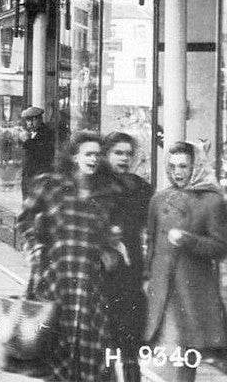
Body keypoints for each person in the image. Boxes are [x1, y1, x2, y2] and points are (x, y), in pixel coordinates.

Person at [17, 131, 118, 382]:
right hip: (55, 279)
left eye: (98, 155)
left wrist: (111, 249)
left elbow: (110, 235)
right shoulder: (50, 185)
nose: (94, 159)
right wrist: (34, 246)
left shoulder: (106, 194)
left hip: (89, 283)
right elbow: (25, 218)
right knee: (54, 352)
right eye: (89, 154)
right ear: (74, 156)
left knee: (89, 351)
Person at [144, 142, 227, 382]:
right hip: (162, 290)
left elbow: (221, 247)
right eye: (172, 167)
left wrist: (189, 240)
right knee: (166, 356)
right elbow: (151, 242)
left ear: (195, 167)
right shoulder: (159, 200)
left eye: (183, 166)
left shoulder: (212, 201)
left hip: (192, 292)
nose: (177, 172)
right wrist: (146, 278)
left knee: (182, 357)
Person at [102, 132, 152, 382]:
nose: (124, 158)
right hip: (102, 278)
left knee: (131, 351)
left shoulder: (141, 188)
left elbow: (151, 228)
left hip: (132, 278)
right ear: (106, 154)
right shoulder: (94, 186)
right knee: (104, 352)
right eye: (118, 153)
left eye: (128, 153)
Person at [20, 106, 54, 197]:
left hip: (39, 177)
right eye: (27, 121)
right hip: (29, 177)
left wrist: (27, 141)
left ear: (38, 119)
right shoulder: (31, 133)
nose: (29, 124)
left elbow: (41, 152)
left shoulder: (46, 133)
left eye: (32, 120)